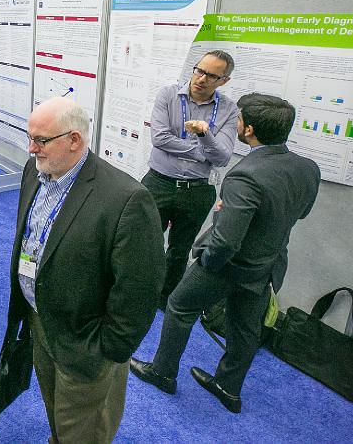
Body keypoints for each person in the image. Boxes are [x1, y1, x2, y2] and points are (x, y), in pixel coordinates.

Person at [0, 97, 164, 442]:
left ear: (74, 140)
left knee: (84, 430)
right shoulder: (35, 172)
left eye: (40, 140)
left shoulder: (126, 199)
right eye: (30, 138)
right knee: (57, 414)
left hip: (86, 343)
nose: (31, 148)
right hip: (40, 322)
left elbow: (140, 290)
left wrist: (107, 350)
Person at [131, 93, 321, 414]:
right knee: (245, 328)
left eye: (239, 119)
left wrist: (210, 251)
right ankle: (228, 388)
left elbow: (226, 242)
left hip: (228, 266)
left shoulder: (246, 175)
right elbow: (299, 212)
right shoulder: (307, 168)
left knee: (179, 306)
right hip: (267, 265)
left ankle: (162, 372)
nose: (236, 123)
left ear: (249, 130)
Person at [143, 50, 239, 308]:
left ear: (224, 81)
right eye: (199, 70)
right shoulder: (168, 95)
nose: (202, 78)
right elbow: (159, 138)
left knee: (179, 250)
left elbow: (222, 157)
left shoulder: (229, 109)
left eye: (211, 76)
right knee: (144, 241)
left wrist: (205, 135)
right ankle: (138, 290)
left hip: (197, 190)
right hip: (159, 182)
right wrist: (201, 151)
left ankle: (165, 299)